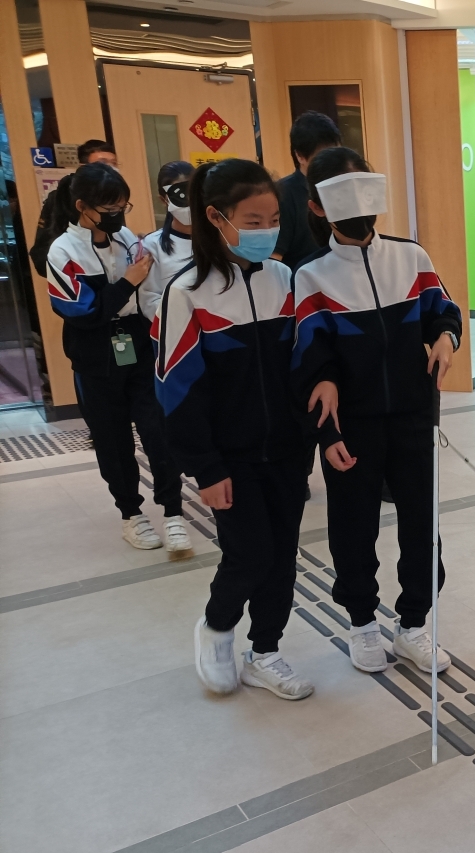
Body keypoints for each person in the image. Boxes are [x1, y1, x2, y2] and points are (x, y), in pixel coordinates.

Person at [291, 147, 461, 677]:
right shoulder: (311, 276)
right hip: (353, 428)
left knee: (421, 525)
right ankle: (362, 623)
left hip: (413, 417)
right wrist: (328, 433)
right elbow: (309, 362)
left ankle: (413, 624)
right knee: (353, 527)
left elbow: (443, 312)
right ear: (317, 207)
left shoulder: (411, 257)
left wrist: (445, 337)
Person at [156, 159, 313, 700]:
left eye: (274, 219)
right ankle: (217, 628)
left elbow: (303, 365)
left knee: (283, 557)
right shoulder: (187, 293)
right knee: (249, 555)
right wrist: (206, 467)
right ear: (216, 218)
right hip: (230, 458)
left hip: (287, 451)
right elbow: (177, 390)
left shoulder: (285, 281)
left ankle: (265, 651)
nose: (266, 230)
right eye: (253, 221)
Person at [44, 163, 191, 558]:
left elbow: (146, 292)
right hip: (94, 353)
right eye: (108, 209)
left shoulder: (126, 238)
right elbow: (83, 313)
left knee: (158, 429)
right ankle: (131, 514)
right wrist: (127, 281)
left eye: (122, 207)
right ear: (82, 206)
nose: (117, 216)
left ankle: (173, 512)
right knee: (113, 440)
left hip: (138, 343)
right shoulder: (63, 251)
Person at [31, 140, 117, 278]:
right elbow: (42, 252)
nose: (110, 169)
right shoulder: (62, 196)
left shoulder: (115, 197)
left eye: (114, 163)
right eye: (102, 163)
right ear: (83, 167)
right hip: (78, 276)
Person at [273, 111, 341, 270]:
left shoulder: (339, 187)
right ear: (300, 156)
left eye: (335, 152)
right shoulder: (283, 194)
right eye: (323, 155)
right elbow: (274, 262)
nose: (332, 162)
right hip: (301, 280)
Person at [138, 161, 194, 324]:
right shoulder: (153, 245)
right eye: (180, 197)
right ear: (164, 200)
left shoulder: (220, 238)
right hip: (178, 329)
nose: (189, 203)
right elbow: (149, 300)